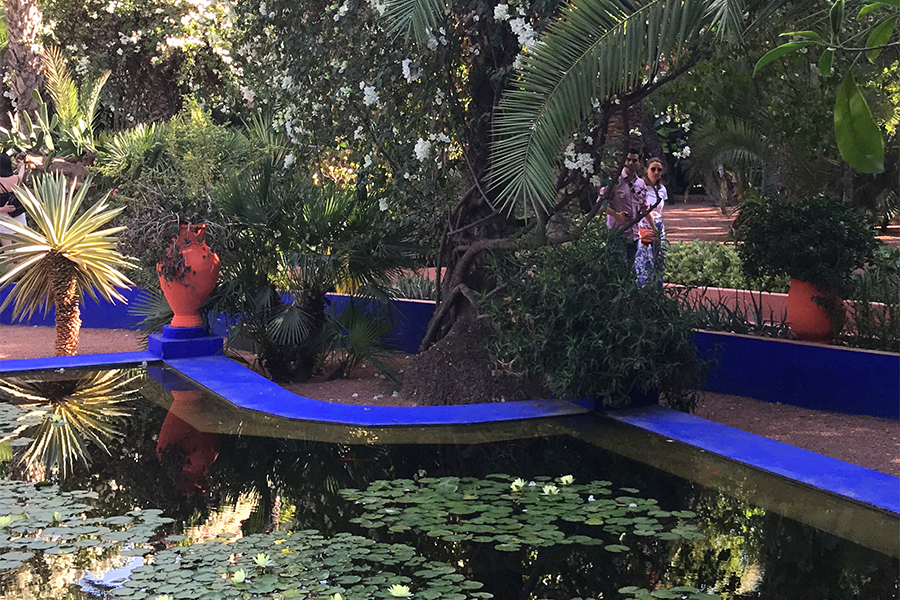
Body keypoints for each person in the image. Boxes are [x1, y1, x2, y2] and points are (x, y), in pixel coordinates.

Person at [605, 148, 649, 265]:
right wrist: (617, 215)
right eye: (628, 159)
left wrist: (651, 227)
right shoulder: (615, 181)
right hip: (617, 234)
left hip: (634, 236)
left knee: (630, 271)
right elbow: (601, 205)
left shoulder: (641, 184)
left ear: (639, 162)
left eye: (634, 160)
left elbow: (644, 208)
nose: (630, 163)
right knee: (617, 269)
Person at [635, 157, 667, 287]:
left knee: (659, 258)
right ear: (646, 170)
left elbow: (660, 210)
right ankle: (643, 289)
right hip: (644, 224)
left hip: (658, 224)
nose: (656, 172)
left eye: (659, 170)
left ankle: (657, 290)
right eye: (653, 169)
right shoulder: (641, 188)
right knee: (644, 260)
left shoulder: (662, 189)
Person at [0, 152, 27, 247]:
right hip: (18, 215)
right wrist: (22, 165)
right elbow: (20, 175)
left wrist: (2, 209)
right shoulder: (15, 179)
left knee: (8, 250)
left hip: (3, 218)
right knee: (20, 248)